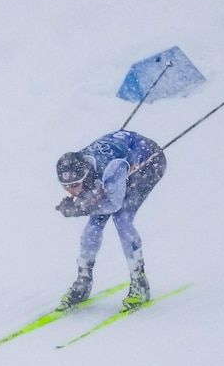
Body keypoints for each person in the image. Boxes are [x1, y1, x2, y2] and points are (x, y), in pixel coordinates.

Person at [54, 129, 167, 311]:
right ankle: (83, 280)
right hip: (121, 156)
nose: (72, 192)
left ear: (85, 175)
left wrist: (80, 208)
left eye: (75, 185)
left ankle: (140, 282)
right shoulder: (80, 166)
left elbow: (114, 205)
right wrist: (86, 203)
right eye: (65, 186)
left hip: (149, 163)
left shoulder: (110, 168)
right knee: (93, 226)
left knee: (122, 219)